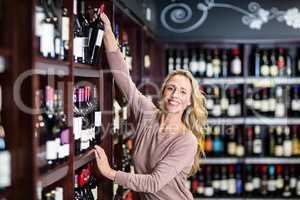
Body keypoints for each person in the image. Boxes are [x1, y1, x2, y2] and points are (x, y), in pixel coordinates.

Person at [94, 12, 208, 200]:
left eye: (182, 92)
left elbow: (153, 183)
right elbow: (123, 78)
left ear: (189, 101)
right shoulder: (147, 113)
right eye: (171, 88)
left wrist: (109, 172)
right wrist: (107, 31)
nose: (174, 95)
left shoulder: (186, 140)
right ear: (163, 92)